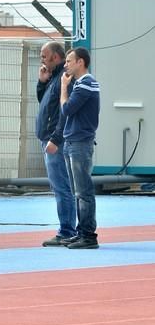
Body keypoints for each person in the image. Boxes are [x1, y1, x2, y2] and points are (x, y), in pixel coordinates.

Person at [36, 42, 76, 247]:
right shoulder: (53, 79)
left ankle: (67, 230)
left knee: (62, 186)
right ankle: (67, 229)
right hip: (48, 138)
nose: (41, 59)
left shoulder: (64, 79)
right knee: (59, 186)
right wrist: (42, 83)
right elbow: (45, 104)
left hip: (54, 141)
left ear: (56, 58)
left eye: (45, 56)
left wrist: (55, 139)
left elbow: (63, 112)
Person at [60, 47, 100, 249]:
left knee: (83, 191)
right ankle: (80, 232)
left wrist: (63, 88)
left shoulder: (86, 84)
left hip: (80, 143)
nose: (65, 65)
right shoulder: (81, 84)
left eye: (69, 61)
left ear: (80, 62)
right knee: (77, 191)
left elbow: (67, 109)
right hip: (73, 141)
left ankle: (88, 235)